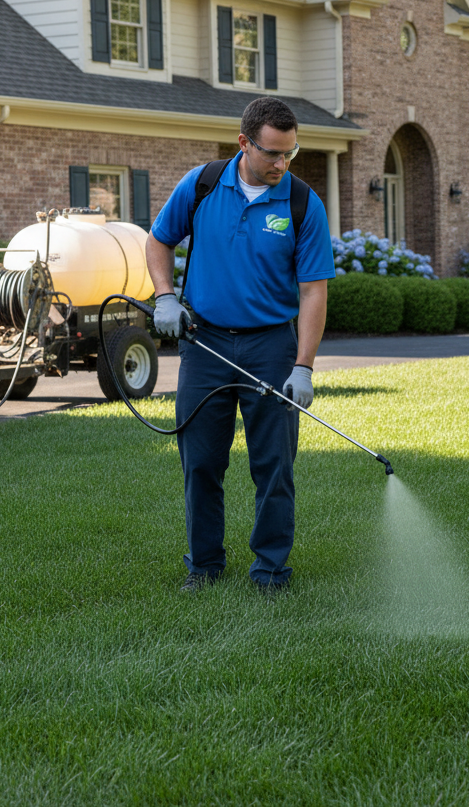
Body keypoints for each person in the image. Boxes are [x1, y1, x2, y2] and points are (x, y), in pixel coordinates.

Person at [145, 97, 335, 594]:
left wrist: (304, 367)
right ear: (244, 143)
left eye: (290, 154)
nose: (281, 164)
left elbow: (314, 289)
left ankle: (271, 571)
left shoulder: (300, 202)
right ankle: (203, 566)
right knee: (201, 462)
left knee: (273, 465)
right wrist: (166, 298)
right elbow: (158, 239)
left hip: (271, 347)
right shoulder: (203, 184)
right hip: (204, 345)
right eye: (273, 153)